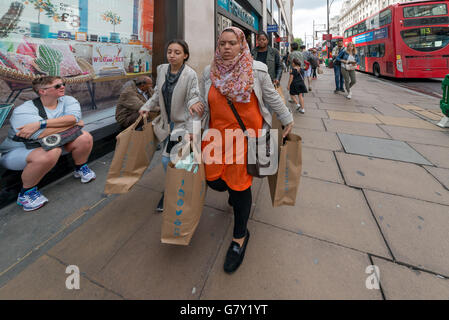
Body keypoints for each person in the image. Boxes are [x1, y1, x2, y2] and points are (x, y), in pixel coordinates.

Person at [201, 27, 293, 274]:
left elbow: (272, 98)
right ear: (217, 46)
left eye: (232, 43)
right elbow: (200, 101)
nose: (227, 47)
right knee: (214, 182)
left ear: (242, 45)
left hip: (245, 140)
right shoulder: (208, 73)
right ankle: (231, 193)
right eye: (222, 43)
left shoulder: (257, 70)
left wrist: (287, 118)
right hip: (214, 140)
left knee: (240, 187)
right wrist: (192, 106)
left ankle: (240, 237)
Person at [0, 76, 95, 211]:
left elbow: (74, 119)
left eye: (63, 84)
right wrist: (74, 124)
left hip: (53, 142)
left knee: (84, 137)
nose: (62, 87)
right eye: (57, 86)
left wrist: (41, 124)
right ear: (42, 91)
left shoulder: (68, 100)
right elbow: (40, 135)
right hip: (19, 151)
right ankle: (26, 194)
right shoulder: (23, 110)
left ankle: (80, 168)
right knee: (52, 151)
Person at [139, 39, 204, 212]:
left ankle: (174, 191)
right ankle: (177, 188)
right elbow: (156, 95)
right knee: (177, 159)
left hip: (183, 123)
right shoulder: (162, 70)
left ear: (185, 55)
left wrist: (191, 131)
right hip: (166, 123)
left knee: (170, 159)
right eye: (169, 51)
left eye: (177, 52)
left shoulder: (190, 75)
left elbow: (194, 102)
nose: (172, 55)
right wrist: (146, 107)